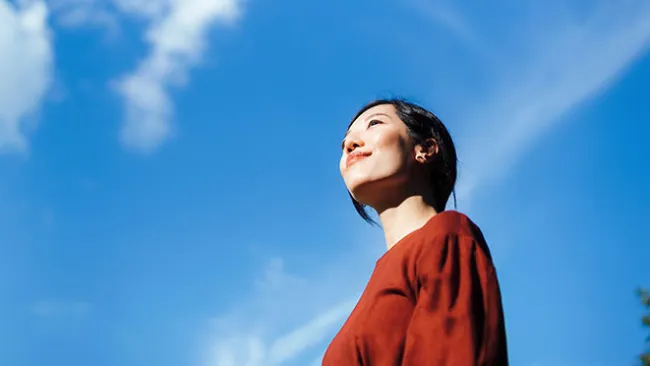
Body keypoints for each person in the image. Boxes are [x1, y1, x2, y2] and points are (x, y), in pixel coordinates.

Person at [322, 99, 509, 365]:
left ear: (425, 149)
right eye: (344, 144)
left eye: (374, 123)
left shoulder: (447, 236)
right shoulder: (373, 288)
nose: (350, 145)